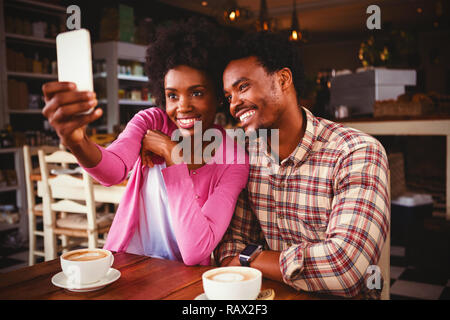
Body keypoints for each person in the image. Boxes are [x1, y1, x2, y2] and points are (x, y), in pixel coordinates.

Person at [41, 18, 249, 266]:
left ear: (218, 96)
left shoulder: (233, 159)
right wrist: (77, 141)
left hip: (182, 281)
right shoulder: (151, 122)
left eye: (197, 93)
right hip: (126, 265)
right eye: (172, 95)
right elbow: (111, 172)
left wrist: (173, 157)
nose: (182, 106)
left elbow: (196, 251)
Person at [214, 32, 390, 298]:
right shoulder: (246, 157)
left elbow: (345, 268)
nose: (234, 105)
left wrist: (251, 258)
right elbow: (228, 249)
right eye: (228, 96)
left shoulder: (356, 152)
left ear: (283, 79)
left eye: (243, 87)